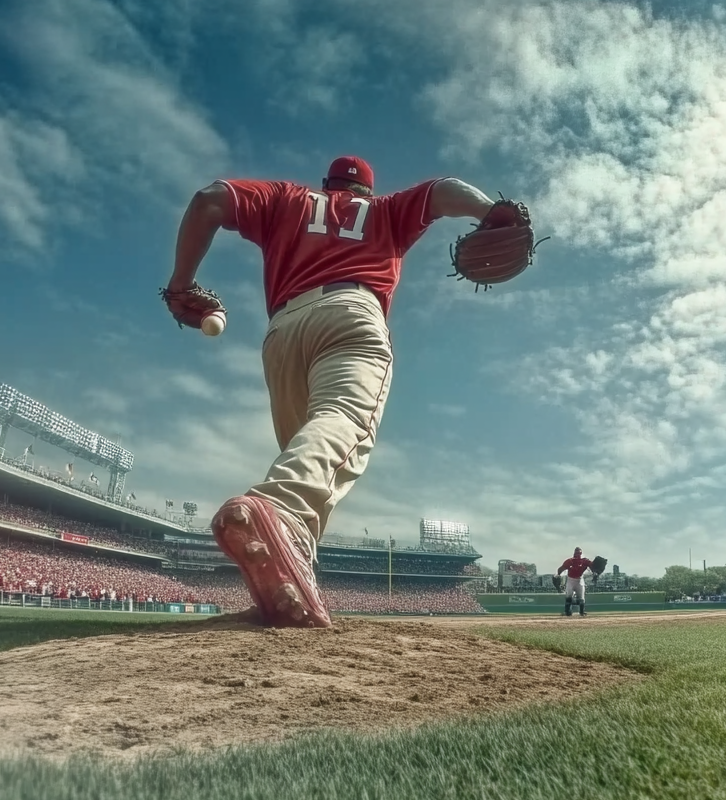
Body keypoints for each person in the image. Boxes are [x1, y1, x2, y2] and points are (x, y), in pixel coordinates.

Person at [165, 157, 500, 627]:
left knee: (308, 459)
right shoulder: (383, 209)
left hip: (281, 333)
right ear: (364, 189)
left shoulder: (286, 198)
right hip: (351, 312)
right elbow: (443, 190)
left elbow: (209, 201)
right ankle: (278, 509)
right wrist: (488, 211)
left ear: (328, 184)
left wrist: (180, 285)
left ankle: (294, 575)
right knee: (340, 422)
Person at [557, 547, 593, 616]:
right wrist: (558, 575)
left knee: (581, 597)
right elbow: (561, 568)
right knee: (569, 596)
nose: (578, 555)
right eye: (577, 553)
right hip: (571, 579)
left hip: (579, 579)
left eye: (579, 553)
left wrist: (595, 571)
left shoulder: (585, 561)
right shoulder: (570, 561)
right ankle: (567, 611)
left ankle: (582, 612)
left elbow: (593, 566)